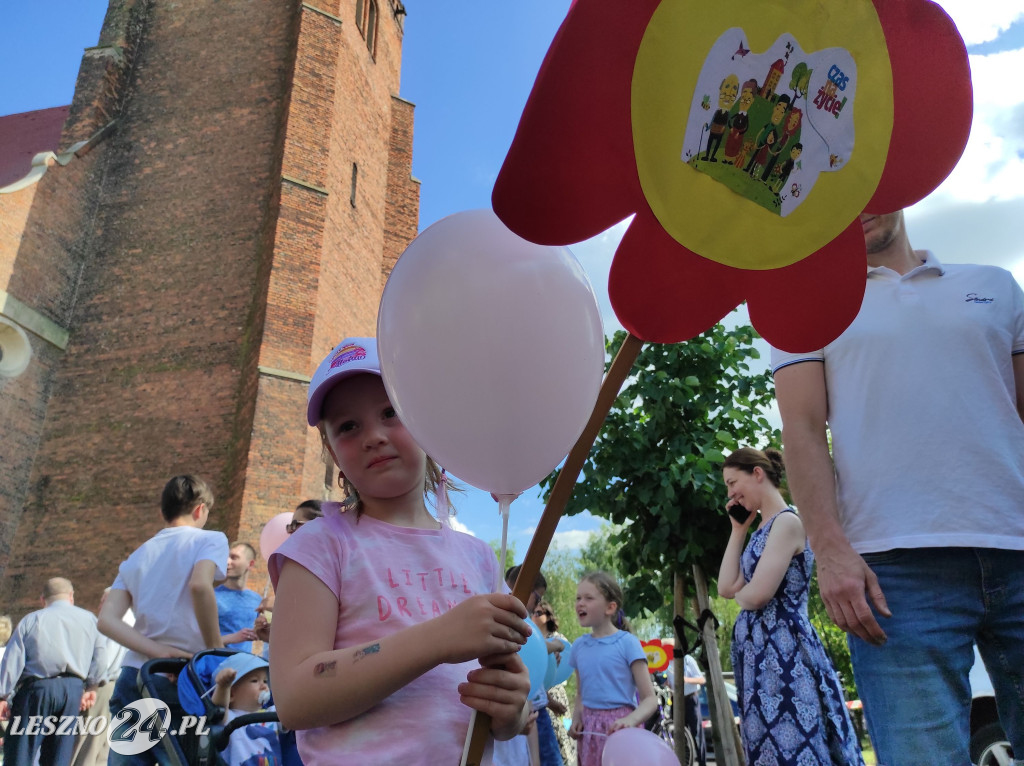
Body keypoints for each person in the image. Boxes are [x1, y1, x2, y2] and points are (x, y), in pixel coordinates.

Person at [771, 209, 1024, 765]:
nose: (861, 206)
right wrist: (829, 550)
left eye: (874, 189)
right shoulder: (804, 306)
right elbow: (804, 431)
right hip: (895, 576)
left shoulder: (995, 286)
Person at [267, 337, 532, 763]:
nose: (373, 435)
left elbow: (515, 703)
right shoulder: (319, 546)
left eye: (391, 413)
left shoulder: (480, 557)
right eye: (348, 426)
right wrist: (439, 638)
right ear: (332, 452)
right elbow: (295, 699)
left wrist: (512, 713)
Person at [718, 446, 863, 765]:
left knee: (795, 743)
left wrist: (745, 594)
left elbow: (756, 596)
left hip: (785, 653)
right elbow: (727, 587)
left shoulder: (786, 523)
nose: (730, 494)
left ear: (757, 474)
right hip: (762, 657)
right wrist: (738, 530)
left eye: (732, 482)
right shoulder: (760, 529)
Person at [98, 474, 229, 766]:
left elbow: (107, 621)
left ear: (162, 512)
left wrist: (156, 650)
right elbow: (200, 585)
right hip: (183, 675)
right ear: (200, 510)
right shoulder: (210, 539)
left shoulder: (137, 555)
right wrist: (215, 652)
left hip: (137, 674)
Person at [0, 577, 105, 766]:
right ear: (71, 596)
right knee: (59, 756)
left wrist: (2, 696)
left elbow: (12, 660)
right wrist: (92, 686)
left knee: (21, 751)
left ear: (43, 599)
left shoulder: (31, 620)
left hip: (37, 690)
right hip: (72, 690)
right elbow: (100, 656)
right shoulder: (90, 619)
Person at [568, 571, 658, 766]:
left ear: (610, 607)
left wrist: (631, 720)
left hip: (621, 732)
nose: (580, 603)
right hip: (590, 733)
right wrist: (577, 718)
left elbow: (650, 699)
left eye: (589, 598)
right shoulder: (578, 647)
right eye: (578, 598)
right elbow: (581, 695)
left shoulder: (628, 644)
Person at [71, 589, 132, 766]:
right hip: (118, 685)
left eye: (103, 600)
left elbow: (104, 660)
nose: (99, 606)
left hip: (103, 686)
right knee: (104, 746)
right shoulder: (131, 621)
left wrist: (91, 687)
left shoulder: (115, 622)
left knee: (87, 743)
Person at [211, 653, 282, 766]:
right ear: (232, 694)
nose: (264, 686)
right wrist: (223, 686)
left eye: (265, 681)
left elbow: (293, 711)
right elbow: (218, 708)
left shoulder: (271, 714)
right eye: (254, 681)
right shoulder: (230, 718)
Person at [532, 600, 575, 766]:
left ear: (548, 617)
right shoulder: (535, 638)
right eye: (534, 613)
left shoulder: (557, 639)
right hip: (542, 695)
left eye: (539, 613)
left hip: (555, 692)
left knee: (563, 730)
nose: (534, 616)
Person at [217, 542, 263, 652]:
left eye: (234, 558)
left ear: (250, 564)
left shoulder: (257, 600)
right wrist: (231, 638)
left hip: (245, 666)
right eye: (226, 557)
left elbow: (258, 640)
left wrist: (264, 630)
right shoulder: (211, 596)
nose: (227, 562)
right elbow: (196, 641)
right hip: (216, 665)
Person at [681, 653, 706, 766]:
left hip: (690, 698)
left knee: (696, 734)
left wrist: (686, 679)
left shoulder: (687, 659)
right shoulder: (665, 662)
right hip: (676, 700)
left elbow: (701, 679)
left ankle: (702, 763)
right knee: (680, 735)